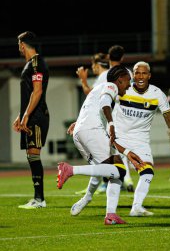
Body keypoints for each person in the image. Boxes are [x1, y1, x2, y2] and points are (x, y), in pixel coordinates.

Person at [57, 65, 144, 225]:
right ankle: (70, 170)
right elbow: (104, 103)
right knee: (118, 169)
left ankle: (107, 212)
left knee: (110, 170)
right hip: (91, 131)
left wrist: (79, 122)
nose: (129, 84)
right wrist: (111, 123)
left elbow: (91, 107)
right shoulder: (111, 86)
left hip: (81, 132)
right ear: (120, 80)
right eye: (128, 80)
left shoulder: (99, 89)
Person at [113, 61, 170, 216]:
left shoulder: (157, 94)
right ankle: (86, 197)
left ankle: (136, 207)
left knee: (147, 172)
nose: (140, 76)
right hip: (119, 137)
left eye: (144, 73)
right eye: (137, 73)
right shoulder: (123, 89)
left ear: (149, 76)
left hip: (141, 140)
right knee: (113, 173)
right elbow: (102, 104)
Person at [13, 31, 50, 209]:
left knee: (34, 154)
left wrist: (27, 115)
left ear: (22, 44)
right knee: (31, 155)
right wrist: (21, 116)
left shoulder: (36, 63)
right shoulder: (30, 64)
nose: (18, 47)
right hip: (31, 115)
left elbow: (38, 91)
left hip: (37, 116)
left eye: (18, 43)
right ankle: (37, 198)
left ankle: (39, 199)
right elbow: (29, 94)